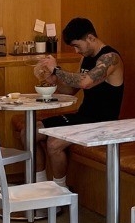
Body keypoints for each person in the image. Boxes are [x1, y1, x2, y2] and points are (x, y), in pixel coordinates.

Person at [9, 17, 123, 188]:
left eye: (77, 46)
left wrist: (57, 70)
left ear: (90, 38)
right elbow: (70, 90)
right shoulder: (86, 58)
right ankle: (40, 187)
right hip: (84, 117)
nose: (76, 51)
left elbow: (86, 82)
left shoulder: (110, 58)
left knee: (54, 144)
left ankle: (60, 191)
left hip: (103, 123)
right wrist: (54, 79)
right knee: (29, 133)